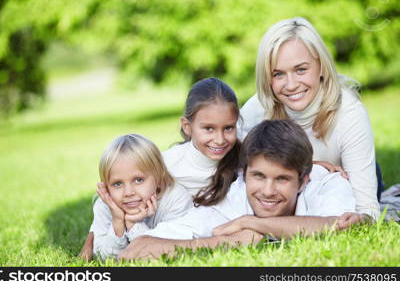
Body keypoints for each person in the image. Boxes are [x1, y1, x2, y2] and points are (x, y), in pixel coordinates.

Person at [117, 120, 357, 260]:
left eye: (282, 179)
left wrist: (251, 223)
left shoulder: (328, 183)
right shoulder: (234, 196)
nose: (268, 191)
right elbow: (139, 248)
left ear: (304, 181)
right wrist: (230, 241)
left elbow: (337, 226)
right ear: (245, 174)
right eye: (258, 176)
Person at [239, 17, 380, 227]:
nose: (291, 84)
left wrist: (362, 218)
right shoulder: (257, 109)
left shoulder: (349, 113)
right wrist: (310, 166)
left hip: (344, 185)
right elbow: (233, 171)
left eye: (301, 70)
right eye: (278, 74)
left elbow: (368, 210)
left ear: (321, 66)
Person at [79, 77, 242, 260]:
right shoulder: (167, 163)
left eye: (228, 128)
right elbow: (110, 198)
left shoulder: (243, 167)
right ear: (187, 127)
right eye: (209, 129)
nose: (219, 140)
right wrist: (89, 244)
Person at [88, 134, 192, 260]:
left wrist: (133, 223)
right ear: (106, 187)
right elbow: (103, 257)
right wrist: (118, 222)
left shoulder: (175, 199)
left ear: (159, 178)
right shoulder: (104, 205)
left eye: (138, 180)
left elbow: (166, 251)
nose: (128, 192)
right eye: (117, 184)